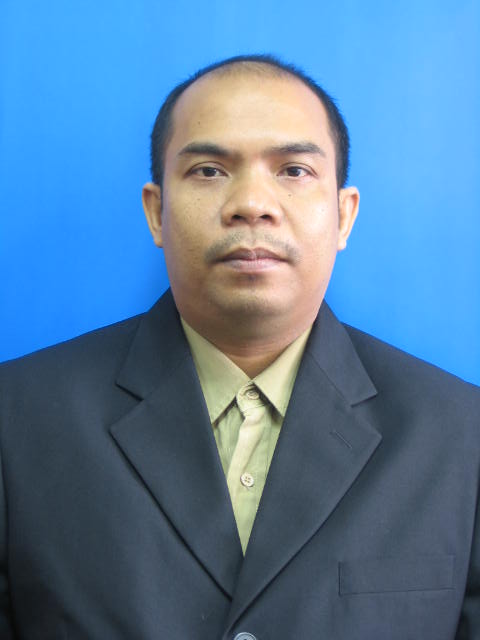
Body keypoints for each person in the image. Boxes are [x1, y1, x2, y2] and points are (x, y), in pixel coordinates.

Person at [0, 54, 478, 639]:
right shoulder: (16, 420)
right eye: (208, 170)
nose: (252, 203)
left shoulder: (461, 436)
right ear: (156, 212)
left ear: (344, 215)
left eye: (294, 170)